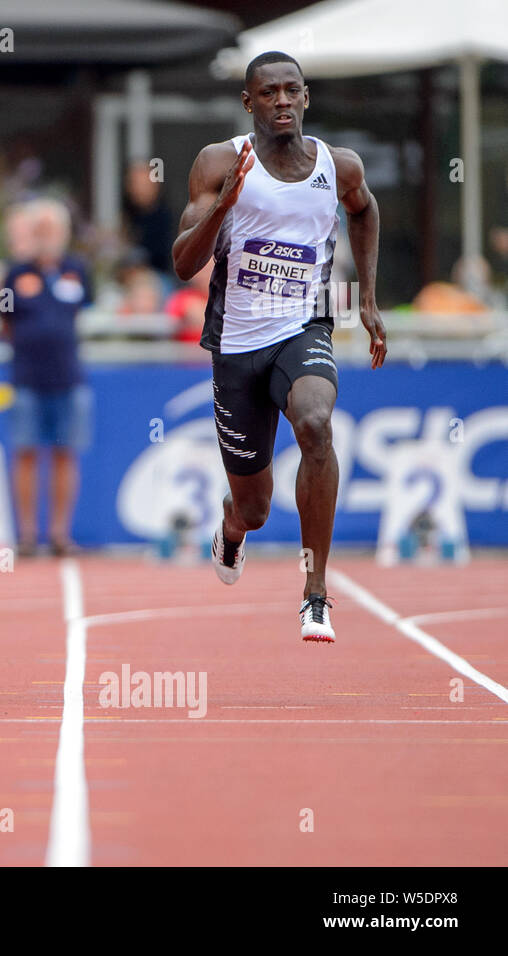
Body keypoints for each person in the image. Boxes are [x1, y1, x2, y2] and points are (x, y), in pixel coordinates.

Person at [173, 51, 386, 643]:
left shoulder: (336, 165)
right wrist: (224, 204)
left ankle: (315, 594)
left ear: (307, 97)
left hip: (305, 325)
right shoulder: (221, 160)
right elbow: (183, 262)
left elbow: (364, 209)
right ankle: (231, 528)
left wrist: (367, 298)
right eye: (269, 93)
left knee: (317, 424)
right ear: (249, 102)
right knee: (255, 508)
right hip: (237, 344)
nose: (283, 101)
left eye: (293, 91)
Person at [0, 199, 93, 556]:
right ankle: (25, 536)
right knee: (24, 453)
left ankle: (59, 535)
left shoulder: (77, 270)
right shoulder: (15, 273)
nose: (47, 237)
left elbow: (87, 311)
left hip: (69, 376)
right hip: (26, 377)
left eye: (53, 230)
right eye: (40, 230)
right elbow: (3, 322)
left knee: (66, 454)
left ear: (64, 234)